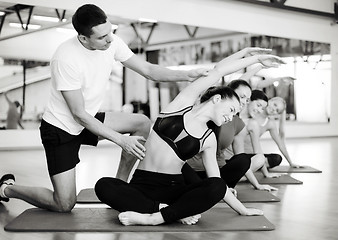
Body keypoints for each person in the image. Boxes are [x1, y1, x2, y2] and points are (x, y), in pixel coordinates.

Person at [0, 4, 210, 210]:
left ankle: (120, 187)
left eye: (109, 32)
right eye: (101, 37)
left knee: (142, 123)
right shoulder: (65, 59)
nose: (109, 39)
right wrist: (121, 140)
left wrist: (186, 75)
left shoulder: (112, 42)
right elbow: (78, 114)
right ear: (83, 38)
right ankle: (6, 189)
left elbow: (148, 70)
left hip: (87, 119)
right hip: (61, 128)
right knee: (63, 204)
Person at [94, 48, 284, 226]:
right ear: (216, 99)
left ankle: (153, 218)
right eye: (231, 110)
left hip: (174, 187)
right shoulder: (179, 106)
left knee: (216, 186)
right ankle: (166, 211)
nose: (230, 116)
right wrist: (254, 57)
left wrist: (242, 210)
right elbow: (217, 71)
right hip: (142, 183)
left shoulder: (209, 139)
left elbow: (216, 181)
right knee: (103, 186)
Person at [185, 80, 277, 193]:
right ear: (229, 92)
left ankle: (219, 188)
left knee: (243, 160)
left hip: (219, 172)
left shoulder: (237, 123)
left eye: (247, 99)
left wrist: (257, 184)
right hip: (193, 171)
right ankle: (212, 188)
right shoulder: (210, 114)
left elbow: (240, 158)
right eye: (242, 96)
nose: (243, 102)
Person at [241, 90, 301, 177]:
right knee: (256, 159)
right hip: (239, 152)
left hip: (253, 154)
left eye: (277, 110)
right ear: (270, 100)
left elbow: (280, 144)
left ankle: (255, 166)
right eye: (275, 105)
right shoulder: (253, 110)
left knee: (277, 158)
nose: (274, 109)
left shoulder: (270, 123)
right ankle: (252, 167)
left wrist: (291, 163)